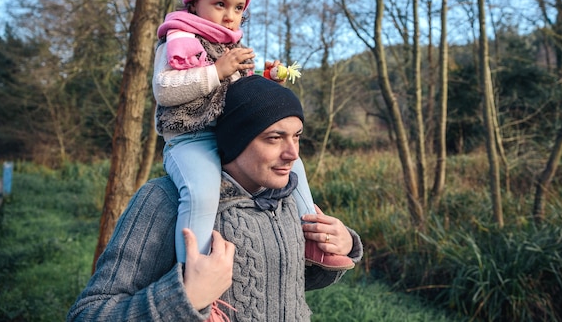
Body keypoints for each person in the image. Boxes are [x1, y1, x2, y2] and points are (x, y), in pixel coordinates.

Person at [67, 75, 363, 321]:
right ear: (236, 139)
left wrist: (343, 245)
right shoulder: (163, 200)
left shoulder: (285, 200)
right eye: (274, 138)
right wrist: (187, 298)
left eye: (296, 136)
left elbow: (284, 286)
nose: (293, 154)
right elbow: (88, 314)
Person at [154, 0, 353, 271]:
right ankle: (193, 277)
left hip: (230, 134)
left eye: (238, 8)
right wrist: (218, 70)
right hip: (190, 137)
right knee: (203, 193)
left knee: (292, 162)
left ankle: (311, 240)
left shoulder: (229, 46)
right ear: (194, 2)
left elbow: (238, 91)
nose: (230, 16)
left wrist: (266, 78)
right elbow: (165, 90)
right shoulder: (178, 40)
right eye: (220, 3)